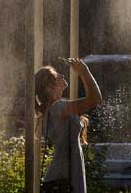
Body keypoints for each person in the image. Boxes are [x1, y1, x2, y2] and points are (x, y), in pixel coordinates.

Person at [35, 58, 102, 193]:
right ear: (49, 87)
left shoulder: (54, 110)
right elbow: (95, 99)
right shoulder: (58, 108)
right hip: (64, 178)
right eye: (56, 75)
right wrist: (84, 71)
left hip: (60, 176)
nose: (62, 75)